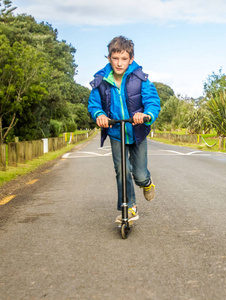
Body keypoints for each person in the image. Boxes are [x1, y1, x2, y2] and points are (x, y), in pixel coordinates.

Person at [88, 36, 161, 224]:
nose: (119, 63)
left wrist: (146, 115)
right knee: (121, 171)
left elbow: (152, 101)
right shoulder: (101, 80)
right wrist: (99, 115)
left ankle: (146, 183)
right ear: (109, 58)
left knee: (139, 175)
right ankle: (128, 207)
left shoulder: (140, 78)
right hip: (115, 132)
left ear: (131, 58)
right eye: (115, 58)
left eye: (123, 59)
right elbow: (94, 104)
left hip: (137, 132)